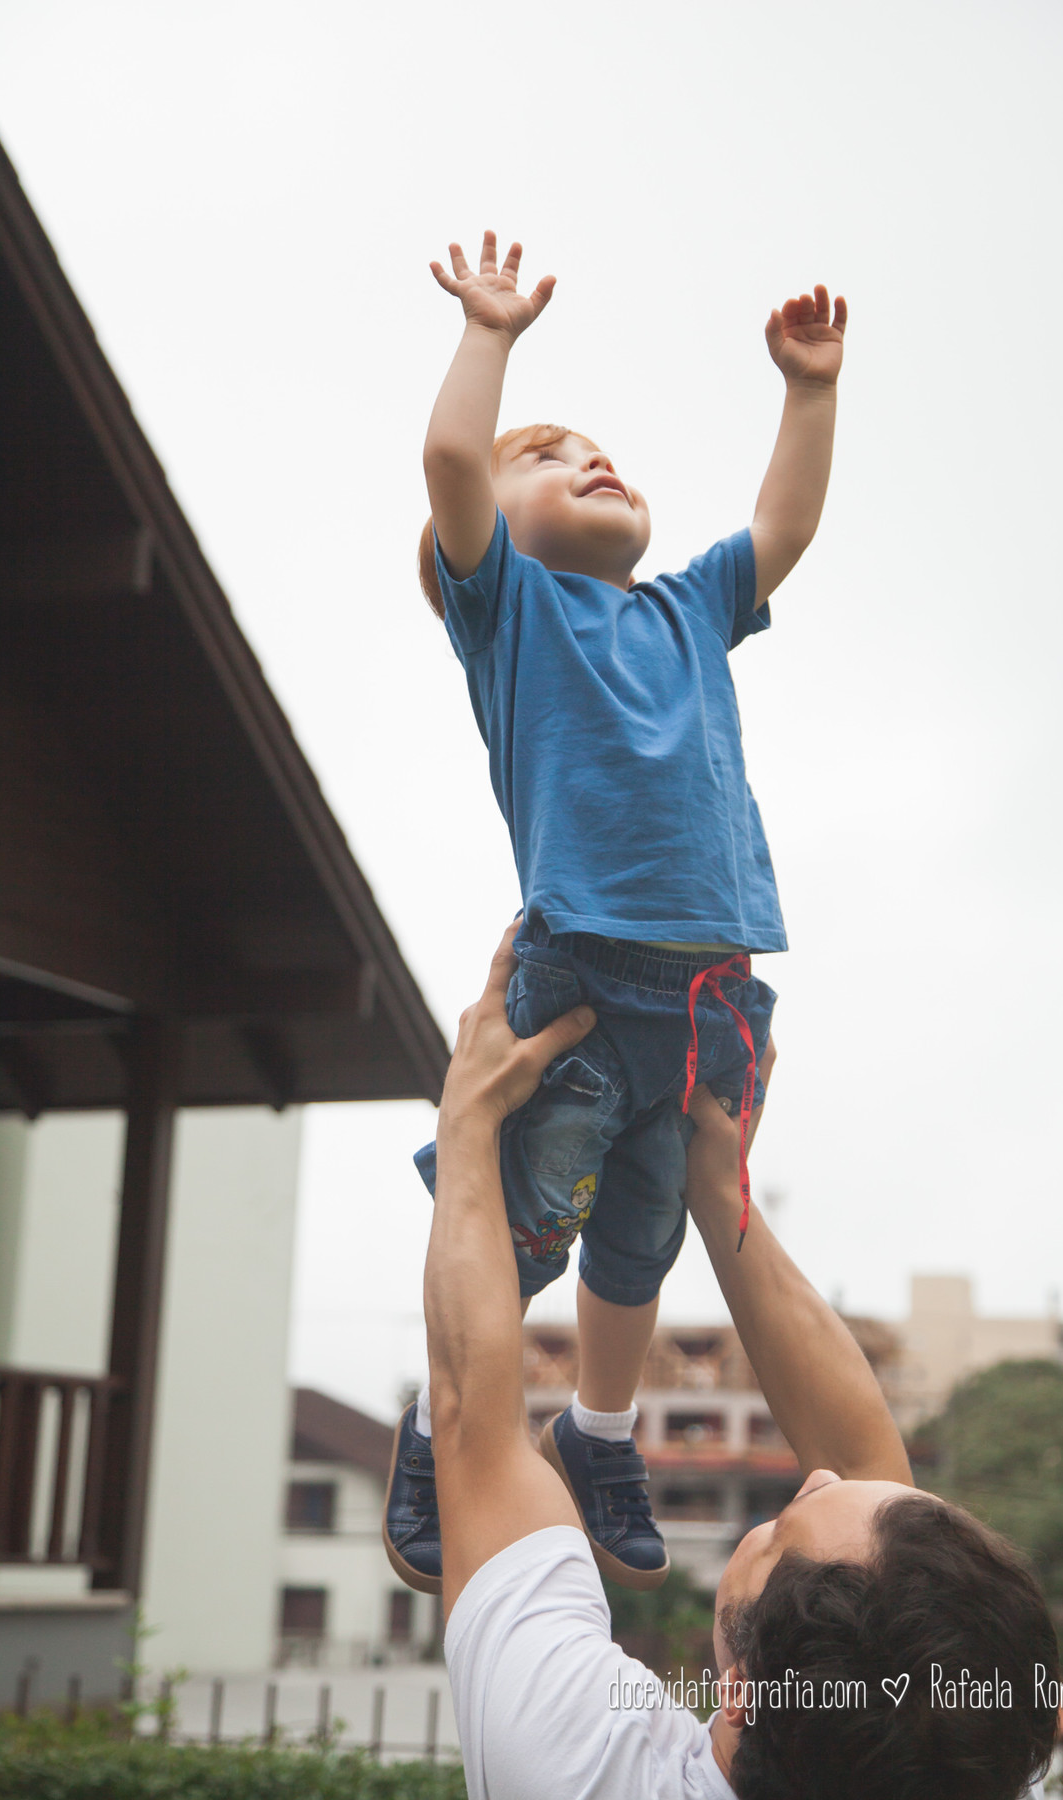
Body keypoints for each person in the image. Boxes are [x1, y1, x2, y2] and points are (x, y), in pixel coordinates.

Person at [392, 230, 845, 1594]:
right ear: (480, 540)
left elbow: (781, 528)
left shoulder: (689, 610)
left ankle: (597, 1436)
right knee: (522, 1219)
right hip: (582, 983)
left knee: (641, 1238)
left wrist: (808, 395)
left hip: (711, 996)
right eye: (550, 454)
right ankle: (441, 1421)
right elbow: (450, 467)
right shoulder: (512, 614)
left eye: (599, 446)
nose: (589, 457)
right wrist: (490, 339)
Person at [395, 924, 1058, 1800]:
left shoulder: (575, 1766)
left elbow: (472, 1422)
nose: (817, 1478)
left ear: (741, 1688)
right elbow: (864, 1474)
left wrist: (471, 1118)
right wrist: (720, 1188)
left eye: (777, 1528)